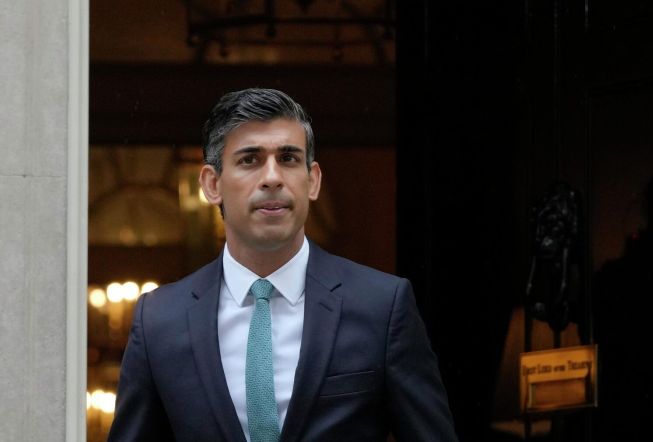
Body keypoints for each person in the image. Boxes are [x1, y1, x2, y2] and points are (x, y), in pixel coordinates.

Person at [108, 88, 458, 442]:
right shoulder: (158, 321)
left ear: (313, 180)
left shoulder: (382, 306)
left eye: (289, 158)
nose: (272, 177)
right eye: (250, 160)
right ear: (212, 185)